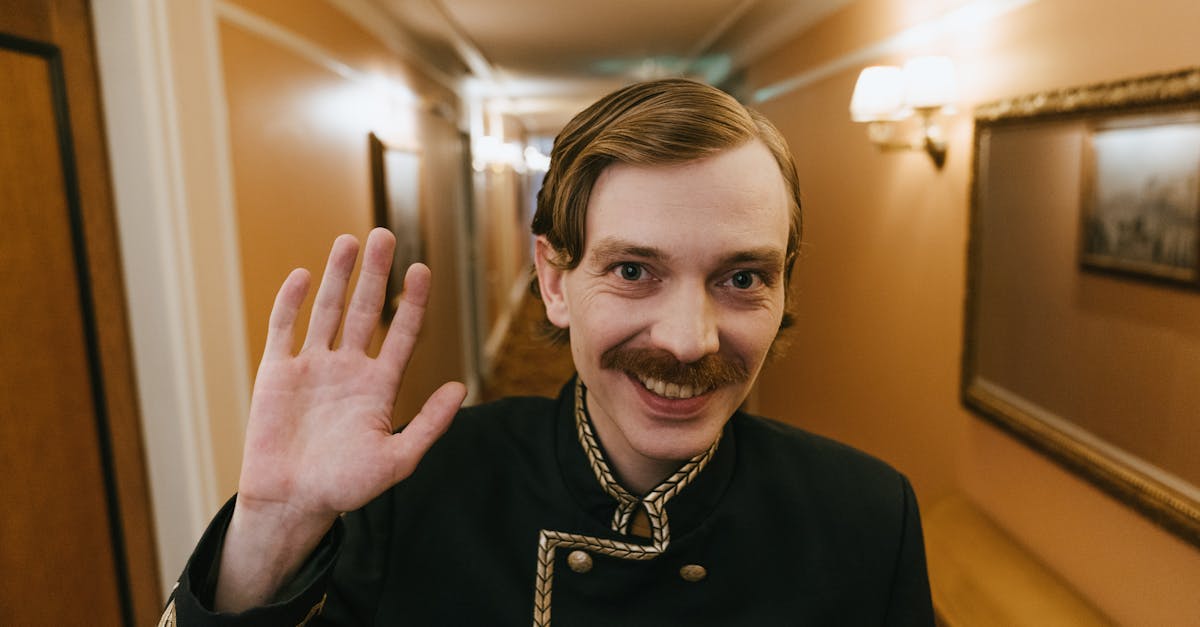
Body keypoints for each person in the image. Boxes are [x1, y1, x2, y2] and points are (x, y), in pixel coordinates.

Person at [161, 79, 934, 626]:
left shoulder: (869, 516)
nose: (689, 338)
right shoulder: (408, 489)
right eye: (634, 271)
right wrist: (273, 528)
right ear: (555, 281)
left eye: (742, 277)